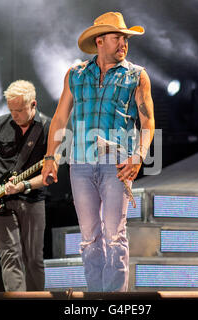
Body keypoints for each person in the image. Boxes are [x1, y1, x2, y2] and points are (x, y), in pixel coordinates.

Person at [41, 12, 155, 292]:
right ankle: (95, 297)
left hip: (117, 165)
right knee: (89, 238)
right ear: (100, 40)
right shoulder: (76, 74)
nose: (124, 43)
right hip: (80, 165)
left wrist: (139, 156)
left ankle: (114, 301)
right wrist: (50, 157)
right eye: (118, 37)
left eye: (126, 38)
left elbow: (148, 122)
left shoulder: (136, 76)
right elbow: (59, 118)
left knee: (114, 236)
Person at [0, 80, 49, 291]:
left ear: (33, 104)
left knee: (33, 259)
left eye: (20, 110)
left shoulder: (49, 127)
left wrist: (23, 186)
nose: (14, 115)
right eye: (11, 109)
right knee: (10, 256)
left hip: (32, 198)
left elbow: (50, 174)